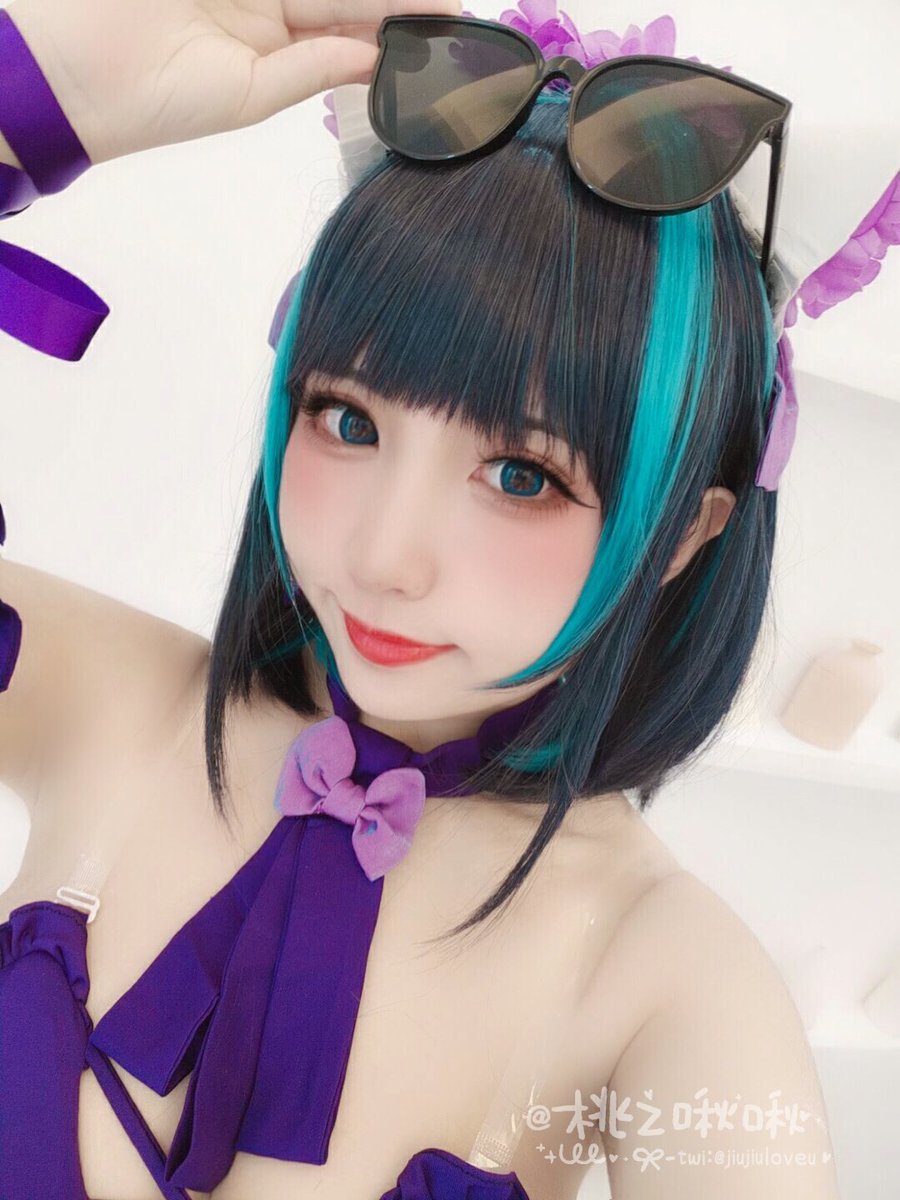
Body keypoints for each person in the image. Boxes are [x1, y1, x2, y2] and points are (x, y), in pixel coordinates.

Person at [0, 0, 841, 1197]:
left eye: (523, 476)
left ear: (682, 536)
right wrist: (34, 103)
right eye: (347, 420)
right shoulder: (110, 705)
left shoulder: (670, 986)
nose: (386, 556)